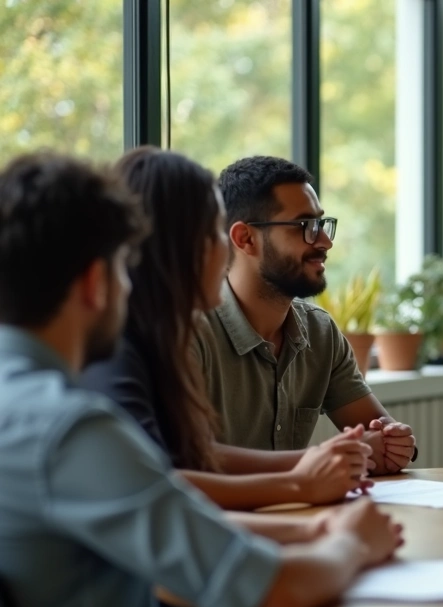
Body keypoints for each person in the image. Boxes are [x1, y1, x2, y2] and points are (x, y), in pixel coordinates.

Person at [0, 152, 403, 607]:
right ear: (94, 283)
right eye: (126, 267)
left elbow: (166, 512)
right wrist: (352, 543)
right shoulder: (71, 432)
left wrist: (309, 529)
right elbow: (279, 593)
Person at [80, 147, 371, 511]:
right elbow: (158, 491)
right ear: (178, 248)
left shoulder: (158, 339)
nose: (226, 251)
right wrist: (299, 486)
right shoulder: (120, 349)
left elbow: (174, 483)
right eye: (214, 233)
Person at [197, 156, 416, 475]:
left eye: (322, 224)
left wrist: (394, 443)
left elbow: (379, 435)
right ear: (245, 238)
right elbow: (185, 461)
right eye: (305, 226)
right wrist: (319, 460)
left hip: (299, 515)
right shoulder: (191, 330)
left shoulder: (320, 331)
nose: (325, 242)